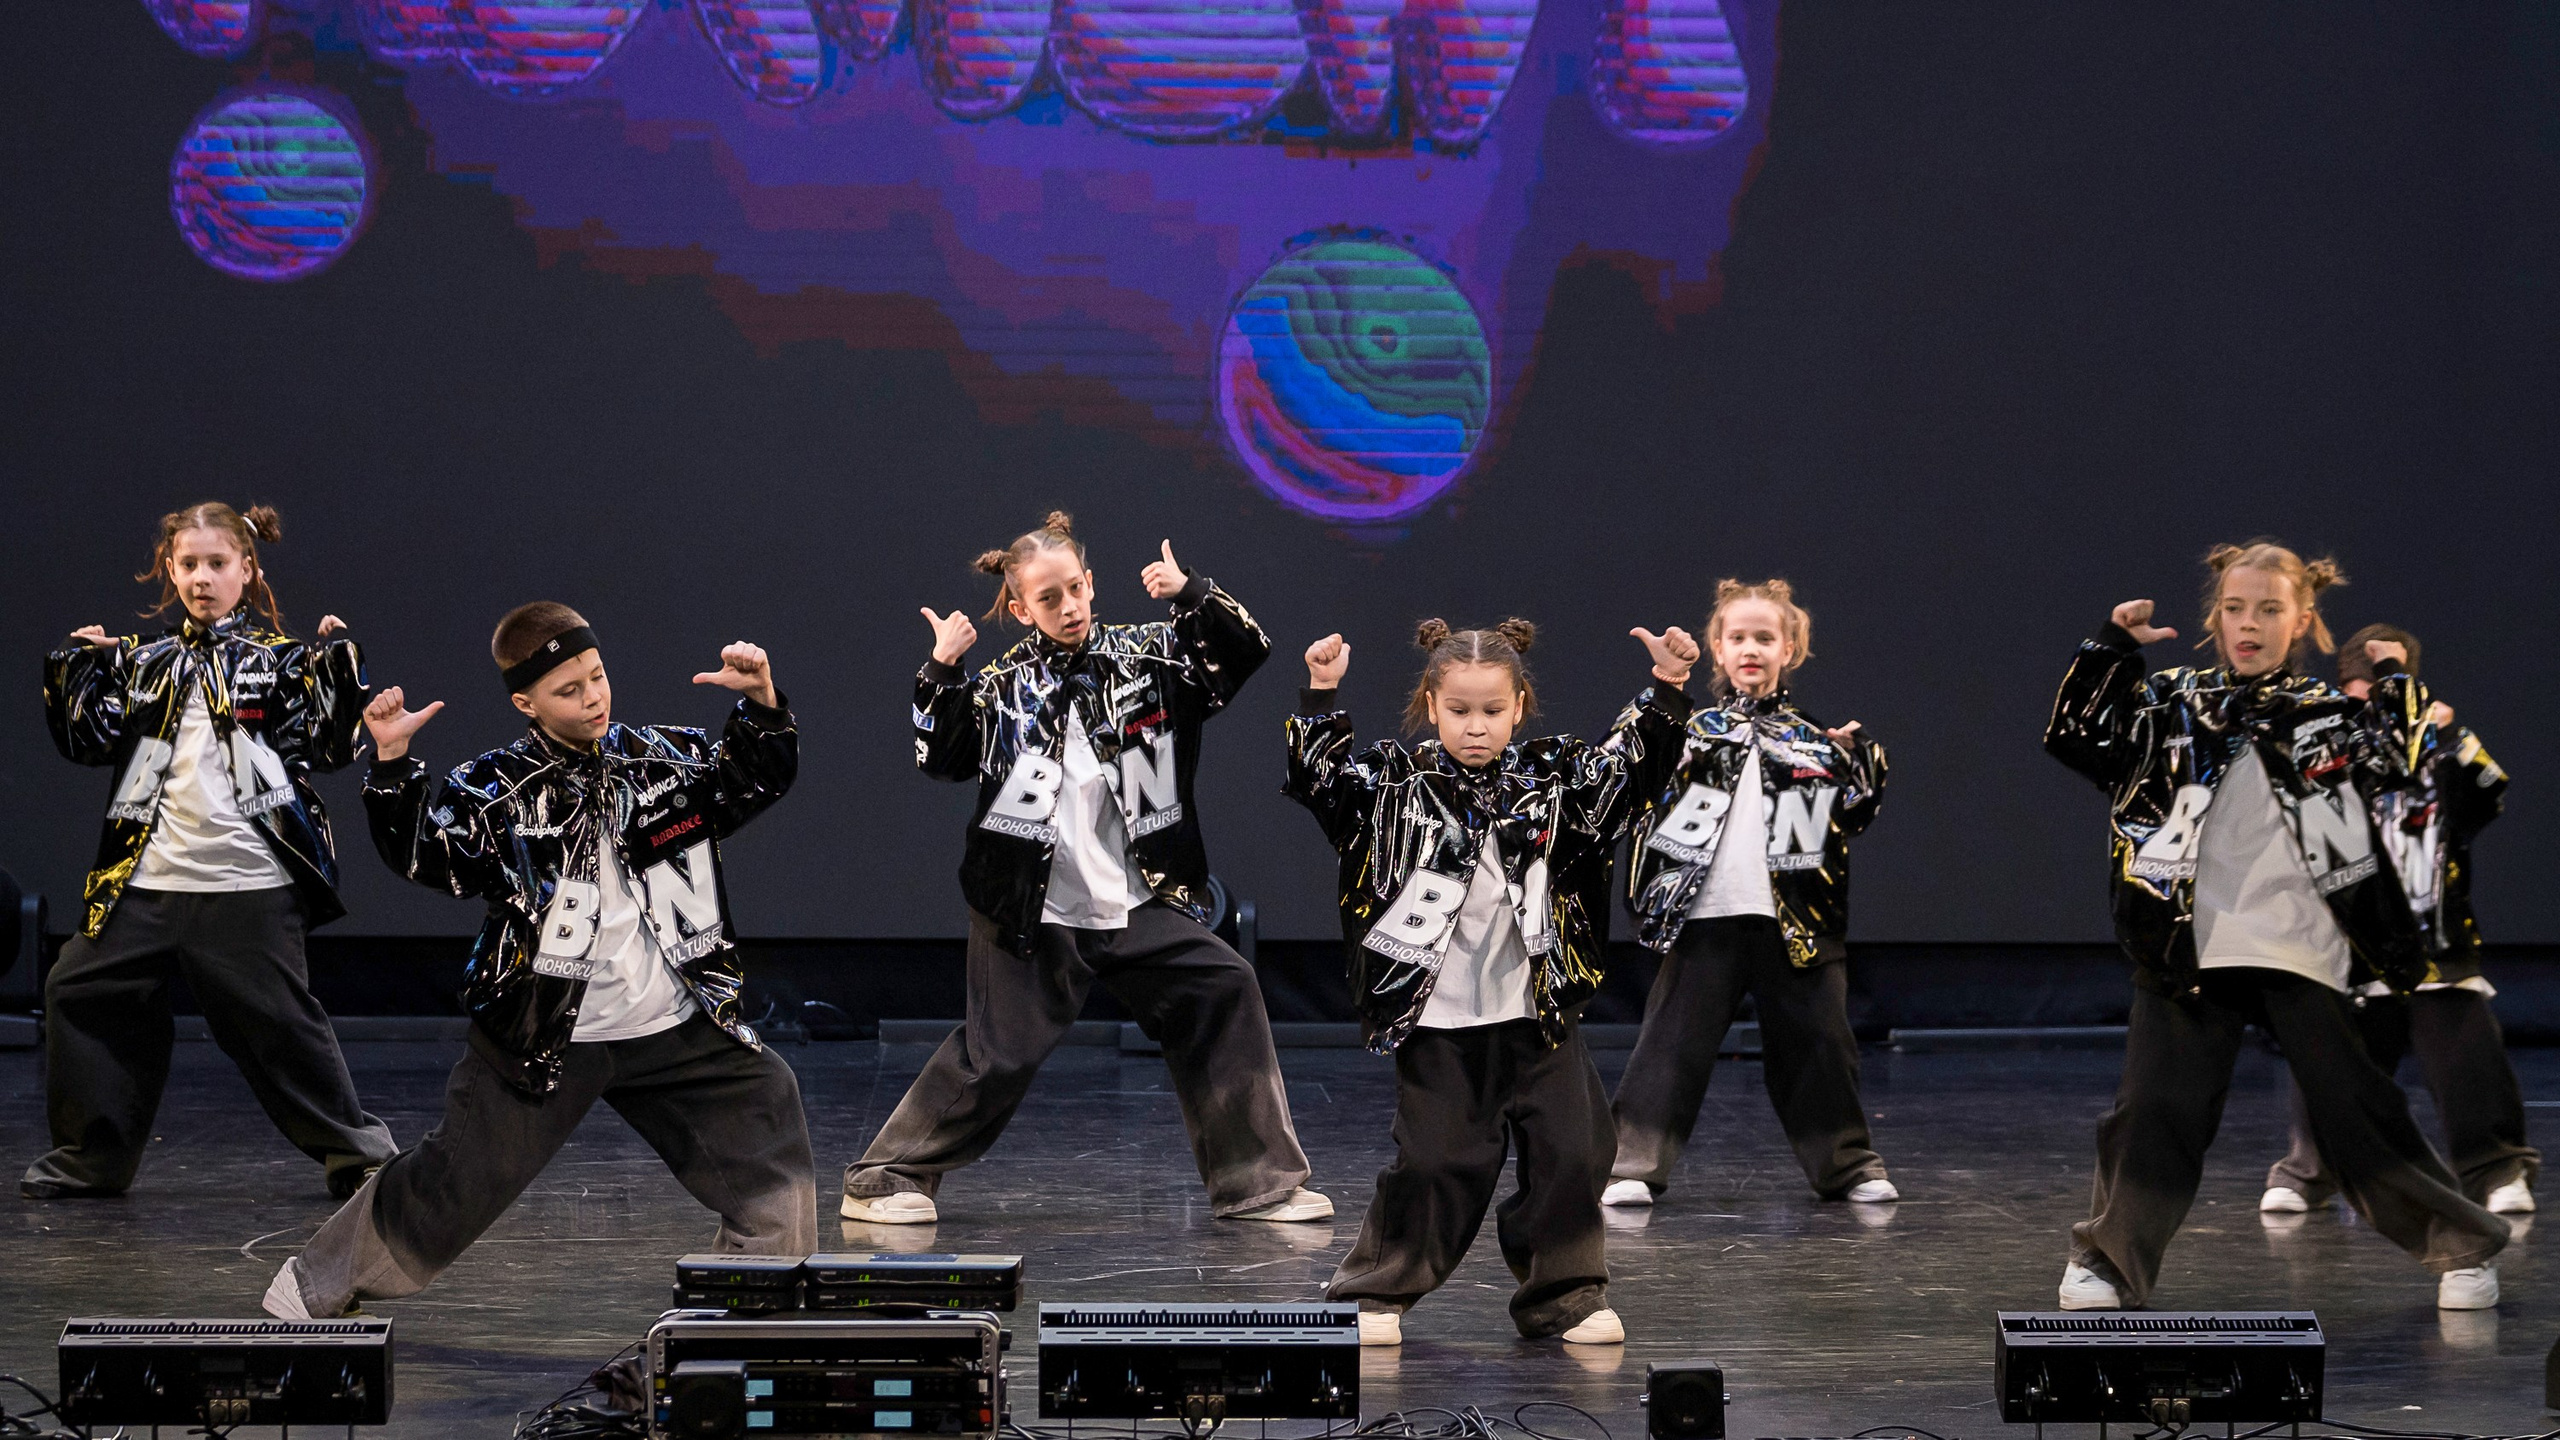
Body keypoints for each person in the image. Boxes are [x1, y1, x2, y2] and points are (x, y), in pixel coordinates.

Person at [264, 604, 813, 1318]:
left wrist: (762, 705)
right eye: (568, 689)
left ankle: (753, 1299)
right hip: (550, 1035)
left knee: (768, 1102)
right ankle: (311, 1286)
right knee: (452, 1183)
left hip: (675, 1025)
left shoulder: (664, 757)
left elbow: (750, 781)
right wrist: (394, 767)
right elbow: (429, 858)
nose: (592, 697)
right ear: (525, 701)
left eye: (597, 676)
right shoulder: (497, 789)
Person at [2045, 543, 2511, 1312]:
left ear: (2303, 622)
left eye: (2268, 609)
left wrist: (2395, 680)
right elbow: (2074, 738)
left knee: (2357, 1113)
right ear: (2213, 618)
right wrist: (2109, 647)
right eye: (2234, 608)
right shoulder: (2171, 702)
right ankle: (2108, 1260)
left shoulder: (2329, 714)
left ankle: (2463, 1245)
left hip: (2302, 942)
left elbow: (2400, 762)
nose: (2249, 624)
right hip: (2184, 942)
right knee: (2154, 1109)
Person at [843, 512, 1327, 1224]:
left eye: (1076, 589)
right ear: (1019, 608)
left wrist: (1191, 594)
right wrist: (942, 668)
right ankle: (881, 1178)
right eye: (1049, 598)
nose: (1069, 607)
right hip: (1028, 906)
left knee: (1222, 988)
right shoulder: (1002, 688)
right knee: (996, 1056)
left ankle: (1260, 1184)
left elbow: (1243, 651)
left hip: (1136, 899)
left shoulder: (1152, 663)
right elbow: (939, 759)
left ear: (1092, 583)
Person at [1283, 618, 1694, 1347]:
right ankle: (1375, 1292)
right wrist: (1321, 693)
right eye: (1460, 711)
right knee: (1440, 1161)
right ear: (1431, 706)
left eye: (1493, 711)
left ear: (1520, 705)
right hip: (1439, 1019)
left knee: (1576, 1152)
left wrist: (1667, 690)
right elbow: (1321, 782)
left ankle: (1565, 1295)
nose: (1477, 727)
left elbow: (1634, 773)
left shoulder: (1557, 780)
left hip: (1535, 1014)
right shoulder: (1391, 786)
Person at [27, 502, 394, 1201]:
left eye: (217, 564)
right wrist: (80, 668)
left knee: (280, 1024)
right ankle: (92, 1159)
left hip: (246, 881)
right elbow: (89, 741)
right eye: (189, 564)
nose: (202, 578)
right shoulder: (142, 662)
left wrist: (335, 667)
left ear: (247, 570)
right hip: (147, 883)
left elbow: (327, 744)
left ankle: (359, 1153)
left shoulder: (278, 660)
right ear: (170, 569)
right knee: (77, 988)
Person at [1600, 578, 1895, 1209]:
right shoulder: (1689, 727)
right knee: (1671, 1045)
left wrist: (1859, 760)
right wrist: (1664, 686)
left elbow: (1857, 814)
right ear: (1717, 647)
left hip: (1795, 921)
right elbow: (1625, 763)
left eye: (1766, 637)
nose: (1751, 648)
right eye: (1738, 637)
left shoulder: (1816, 740)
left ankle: (1847, 1166)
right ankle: (1633, 1163)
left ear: (1791, 648)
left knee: (1819, 1047)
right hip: (1704, 915)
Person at [2261, 623, 2534, 1217]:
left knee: (2457, 1026)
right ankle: (2312, 1168)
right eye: (2361, 693)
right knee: (2329, 1047)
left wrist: (2448, 734)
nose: (2374, 707)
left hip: (2431, 929)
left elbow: (2485, 795)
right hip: (2356, 941)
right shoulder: (2327, 744)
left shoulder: (2442, 743)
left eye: (2386, 687)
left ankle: (2495, 1167)